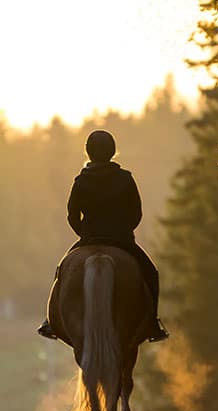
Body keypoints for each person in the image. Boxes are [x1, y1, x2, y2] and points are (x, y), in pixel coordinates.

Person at [38, 129, 169, 342]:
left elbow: (72, 215)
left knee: (61, 272)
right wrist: (124, 231)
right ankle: (153, 324)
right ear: (112, 152)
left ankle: (51, 321)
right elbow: (136, 212)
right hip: (122, 240)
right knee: (151, 273)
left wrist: (86, 235)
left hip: (89, 239)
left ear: (88, 153)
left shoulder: (80, 180)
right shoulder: (126, 179)